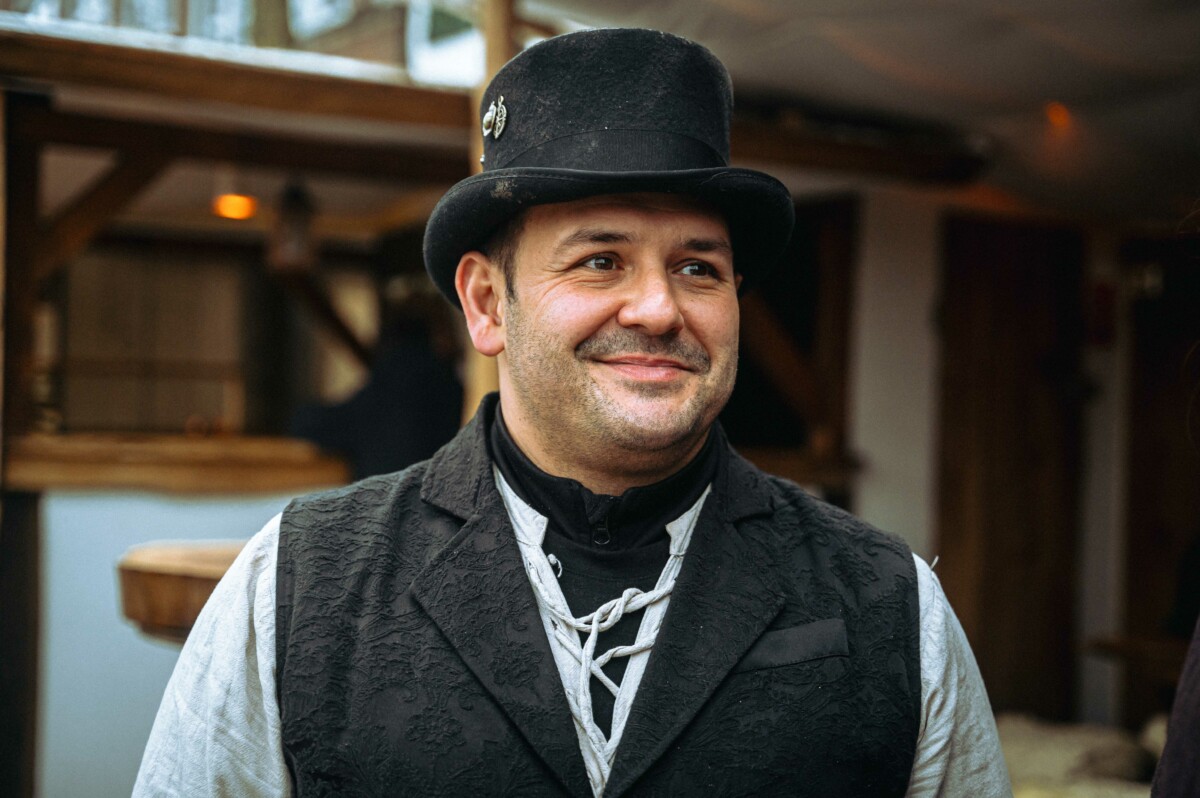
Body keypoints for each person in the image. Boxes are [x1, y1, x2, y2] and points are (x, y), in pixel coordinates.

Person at [134, 28, 1010, 797]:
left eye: (698, 268)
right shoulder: (291, 586)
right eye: (600, 261)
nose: (659, 309)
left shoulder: (896, 606)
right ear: (487, 304)